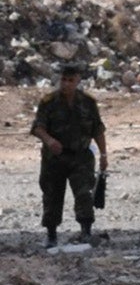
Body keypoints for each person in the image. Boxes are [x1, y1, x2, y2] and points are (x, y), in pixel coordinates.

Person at [31, 63, 107, 249]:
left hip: (81, 157)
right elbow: (37, 127)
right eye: (63, 79)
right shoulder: (49, 102)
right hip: (54, 158)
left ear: (78, 81)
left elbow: (97, 129)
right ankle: (51, 235)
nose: (66, 84)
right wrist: (49, 141)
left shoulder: (88, 103)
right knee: (52, 195)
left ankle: (86, 231)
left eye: (70, 80)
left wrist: (104, 154)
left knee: (84, 194)